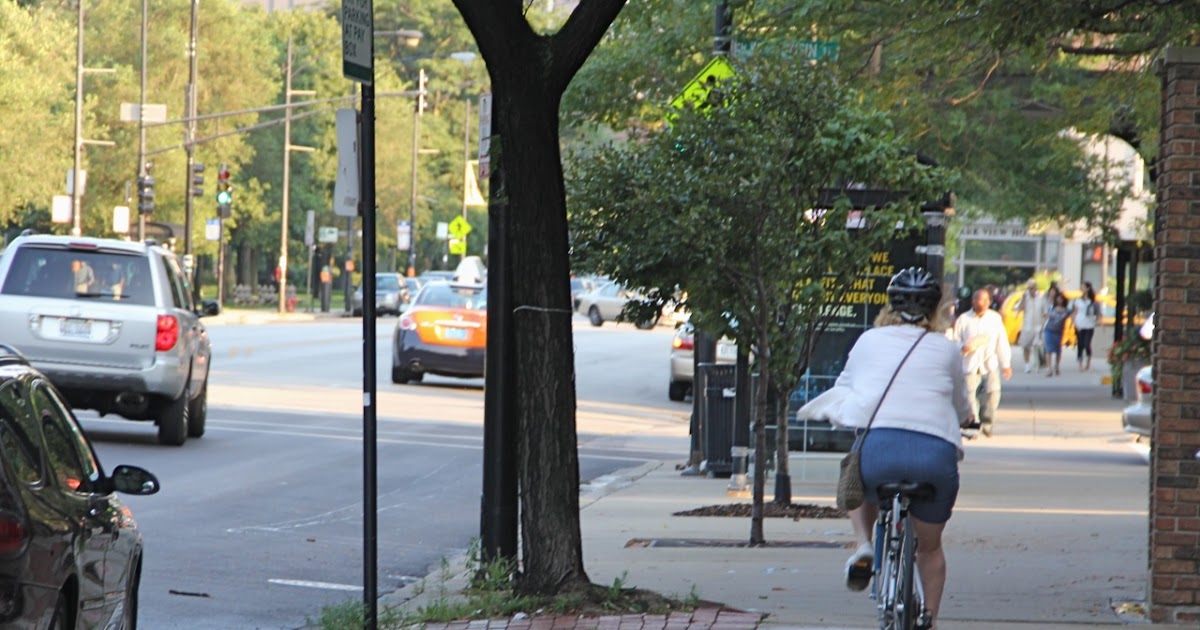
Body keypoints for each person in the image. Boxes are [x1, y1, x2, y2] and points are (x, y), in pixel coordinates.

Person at [799, 267, 970, 630]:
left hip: (880, 451)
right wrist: (966, 418)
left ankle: (863, 545)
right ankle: (931, 619)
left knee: (855, 470)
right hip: (934, 457)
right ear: (935, 309)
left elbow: (846, 386)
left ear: (888, 305)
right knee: (930, 548)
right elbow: (962, 403)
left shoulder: (867, 341)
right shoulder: (947, 349)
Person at [950, 288, 1013, 437]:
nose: (984, 303)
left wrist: (1006, 364)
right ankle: (975, 425)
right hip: (970, 365)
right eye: (980, 299)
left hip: (989, 365)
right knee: (970, 397)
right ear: (973, 300)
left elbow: (1001, 341)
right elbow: (955, 341)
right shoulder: (964, 319)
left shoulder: (994, 319)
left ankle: (987, 422)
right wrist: (963, 347)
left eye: (986, 300)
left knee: (992, 395)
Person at [1014, 280, 1043, 373]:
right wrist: (1023, 299)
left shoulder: (1040, 298)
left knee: (1037, 346)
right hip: (1027, 326)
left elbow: (1044, 311)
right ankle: (1027, 364)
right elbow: (1020, 308)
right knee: (1026, 346)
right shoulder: (1026, 298)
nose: (1032, 290)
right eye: (1030, 288)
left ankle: (1037, 364)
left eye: (1033, 288)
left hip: (1038, 326)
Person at [1071, 282, 1100, 372]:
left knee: (1086, 344)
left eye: (1083, 287)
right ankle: (1080, 363)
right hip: (1079, 324)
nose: (1081, 289)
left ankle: (1088, 362)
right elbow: (1074, 312)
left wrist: (1097, 321)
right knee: (1080, 344)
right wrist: (1073, 322)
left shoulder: (1093, 302)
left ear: (1087, 289)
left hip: (1089, 325)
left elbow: (1098, 313)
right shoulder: (1078, 300)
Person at [1042, 293, 1071, 376]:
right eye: (1058, 298)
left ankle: (1057, 366)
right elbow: (1045, 314)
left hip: (1059, 332)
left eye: (1061, 299)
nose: (1060, 300)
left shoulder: (1066, 310)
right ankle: (1049, 368)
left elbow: (1073, 314)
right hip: (1049, 330)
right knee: (1049, 349)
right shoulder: (1051, 308)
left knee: (1058, 350)